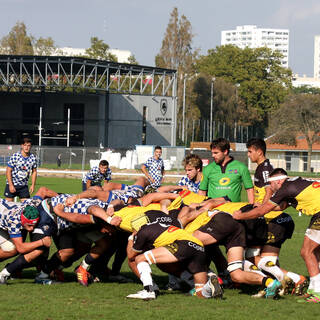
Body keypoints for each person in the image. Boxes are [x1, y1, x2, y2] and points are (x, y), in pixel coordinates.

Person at [232, 168, 320, 303]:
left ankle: (317, 292)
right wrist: (262, 205)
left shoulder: (285, 188)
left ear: (278, 181)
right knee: (315, 252)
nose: (270, 188)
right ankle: (314, 289)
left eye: (270, 184)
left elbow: (262, 211)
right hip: (317, 213)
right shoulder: (294, 183)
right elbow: (279, 206)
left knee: (306, 252)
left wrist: (240, 216)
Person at [246, 138, 307, 296]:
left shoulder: (264, 169)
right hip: (280, 219)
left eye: (250, 151)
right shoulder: (263, 167)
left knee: (251, 256)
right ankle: (280, 285)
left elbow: (268, 192)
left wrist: (262, 211)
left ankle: (295, 278)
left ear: (259, 152)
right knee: (269, 260)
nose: (248, 154)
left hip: (271, 219)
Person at [126, 216, 223, 300]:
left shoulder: (143, 231)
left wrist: (130, 238)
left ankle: (149, 290)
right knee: (200, 292)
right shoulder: (159, 225)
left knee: (140, 259)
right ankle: (210, 286)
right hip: (199, 247)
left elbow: (131, 256)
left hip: (183, 244)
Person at [198, 138, 254, 203]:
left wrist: (251, 207)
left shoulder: (241, 167)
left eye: (216, 153)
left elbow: (250, 190)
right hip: (213, 210)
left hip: (233, 210)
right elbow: (202, 191)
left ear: (225, 152)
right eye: (212, 153)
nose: (213, 155)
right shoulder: (208, 168)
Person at [4, 137, 38, 201]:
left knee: (26, 207)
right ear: (22, 146)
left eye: (28, 146)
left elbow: (34, 172)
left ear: (31, 147)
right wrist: (11, 185)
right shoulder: (15, 156)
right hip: (12, 184)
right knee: (8, 208)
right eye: (25, 145)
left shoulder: (33, 158)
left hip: (23, 186)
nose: (26, 147)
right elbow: (8, 171)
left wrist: (33, 185)